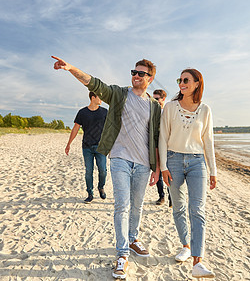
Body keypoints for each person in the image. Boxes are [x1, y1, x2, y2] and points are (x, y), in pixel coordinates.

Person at [52, 56, 161, 280]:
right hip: (119, 158)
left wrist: (157, 168)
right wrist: (71, 68)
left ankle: (133, 239)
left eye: (141, 73)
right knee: (122, 205)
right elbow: (95, 83)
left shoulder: (154, 106)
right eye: (134, 72)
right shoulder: (120, 94)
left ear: (150, 78)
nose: (136, 76)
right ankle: (122, 254)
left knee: (137, 206)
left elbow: (157, 137)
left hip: (143, 164)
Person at [158, 68, 217, 279]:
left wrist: (213, 170)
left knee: (197, 210)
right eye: (180, 80)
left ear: (197, 84)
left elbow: (208, 141)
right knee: (179, 207)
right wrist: (163, 166)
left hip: (197, 162)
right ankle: (185, 245)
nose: (181, 83)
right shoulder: (171, 108)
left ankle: (197, 262)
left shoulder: (205, 110)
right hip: (173, 161)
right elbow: (163, 137)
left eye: (186, 80)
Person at [65, 91, 108, 204]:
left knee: (103, 170)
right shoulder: (82, 112)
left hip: (101, 147)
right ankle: (90, 193)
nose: (101, 100)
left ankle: (101, 187)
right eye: (100, 97)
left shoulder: (104, 112)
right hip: (87, 147)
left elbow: (110, 128)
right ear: (93, 98)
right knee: (88, 171)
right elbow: (75, 128)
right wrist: (69, 144)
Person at [152, 89, 171, 207]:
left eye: (157, 99)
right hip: (155, 147)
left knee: (169, 172)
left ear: (163, 99)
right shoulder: (152, 113)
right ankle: (161, 196)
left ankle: (171, 197)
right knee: (157, 173)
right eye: (153, 99)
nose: (155, 101)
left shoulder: (168, 113)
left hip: (168, 148)